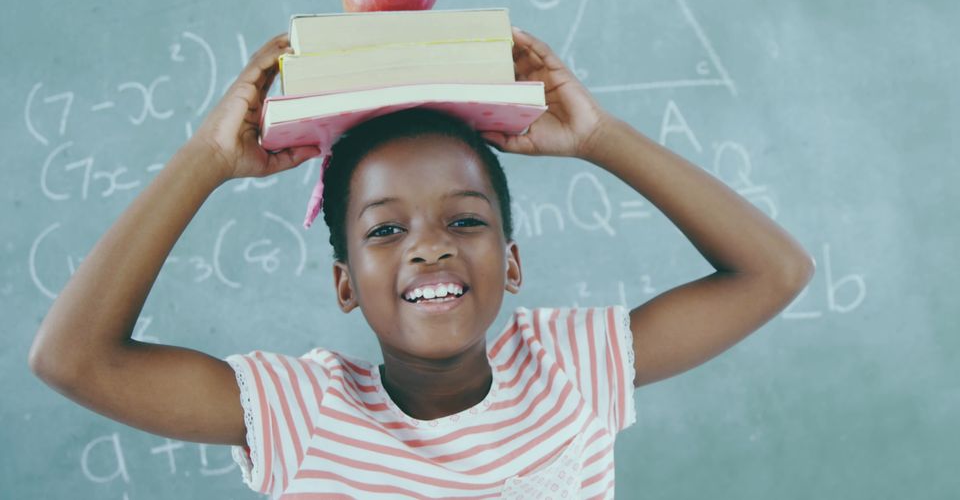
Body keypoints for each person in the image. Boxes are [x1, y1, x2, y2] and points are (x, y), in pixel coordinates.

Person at [28, 27, 815, 498]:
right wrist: (205, 157)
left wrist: (599, 136)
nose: (429, 245)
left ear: (511, 263)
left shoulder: (570, 363)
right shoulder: (305, 411)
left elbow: (774, 272)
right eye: (383, 231)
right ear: (344, 283)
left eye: (464, 220)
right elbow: (72, 359)